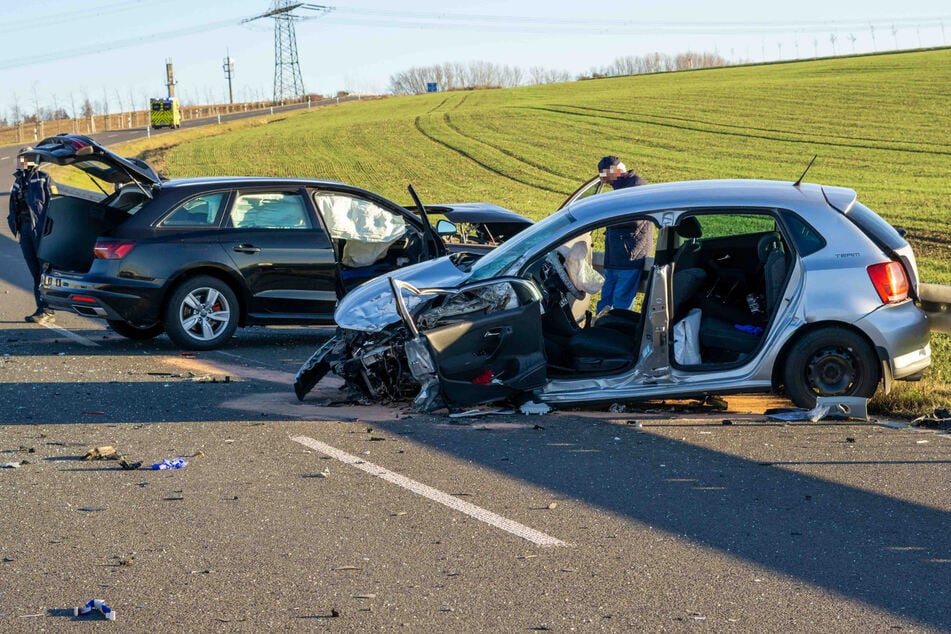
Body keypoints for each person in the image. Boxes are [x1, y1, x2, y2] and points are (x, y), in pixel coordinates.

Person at [595, 155, 653, 313]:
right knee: (605, 299)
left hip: (629, 256)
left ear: (615, 171)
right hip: (615, 256)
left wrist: (604, 218)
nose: (605, 182)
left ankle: (617, 333)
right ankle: (600, 330)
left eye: (606, 177)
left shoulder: (636, 186)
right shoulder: (621, 187)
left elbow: (635, 219)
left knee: (621, 303)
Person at [8, 149, 55, 324]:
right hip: (25, 231)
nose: (21, 161)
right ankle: (41, 308)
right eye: (19, 157)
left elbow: (54, 204)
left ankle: (47, 309)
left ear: (32, 159)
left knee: (44, 270)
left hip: (41, 231)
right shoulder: (18, 181)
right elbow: (14, 206)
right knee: (35, 271)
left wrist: (50, 230)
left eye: (24, 157)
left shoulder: (44, 178)